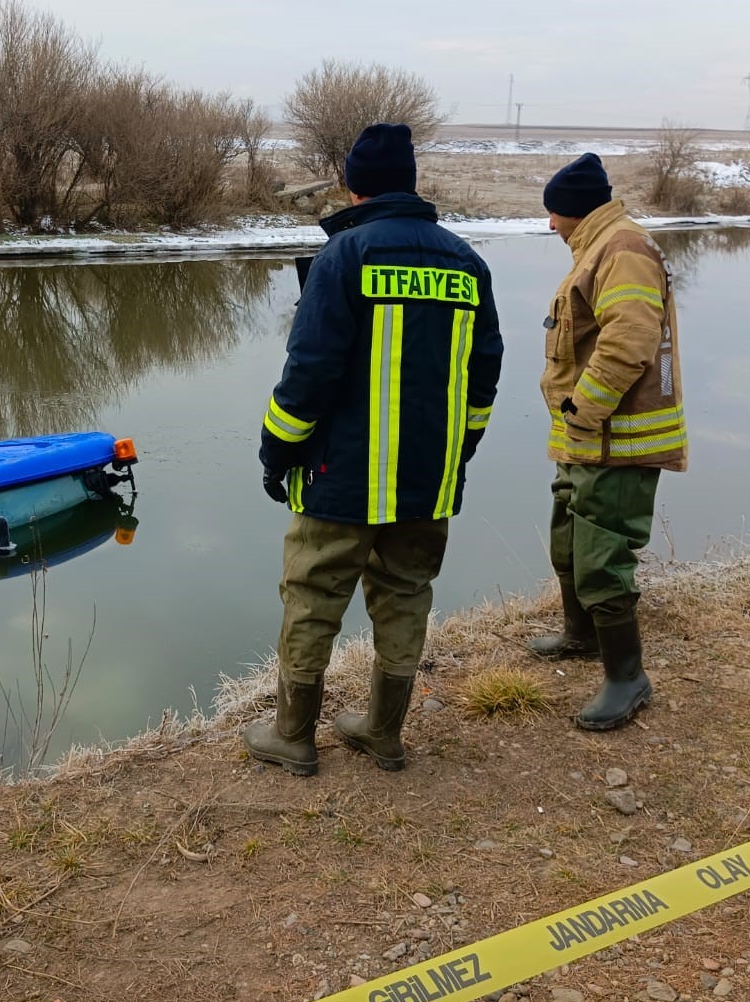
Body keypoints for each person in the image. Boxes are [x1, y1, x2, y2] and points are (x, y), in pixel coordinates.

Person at [244, 123, 503, 776]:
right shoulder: (466, 263)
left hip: (339, 480)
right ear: (410, 183)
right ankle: (383, 734)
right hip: (427, 481)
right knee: (405, 595)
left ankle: (293, 736)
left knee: (312, 597)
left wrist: (276, 453)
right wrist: (457, 453)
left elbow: (307, 376)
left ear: (352, 184)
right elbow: (483, 380)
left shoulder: (345, 256)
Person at [529, 152, 687, 731]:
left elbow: (630, 340)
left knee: (602, 557)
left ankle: (628, 677)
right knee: (568, 539)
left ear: (574, 210)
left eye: (553, 214)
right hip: (587, 440)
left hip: (615, 439)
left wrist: (583, 410)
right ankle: (581, 637)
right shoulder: (600, 246)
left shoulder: (622, 250)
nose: (549, 225)